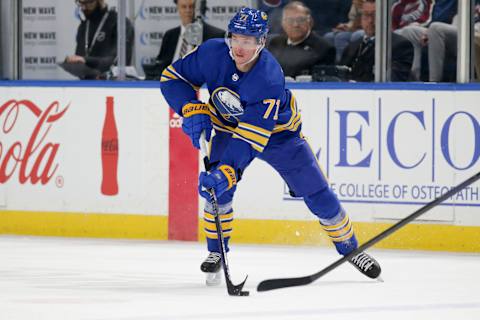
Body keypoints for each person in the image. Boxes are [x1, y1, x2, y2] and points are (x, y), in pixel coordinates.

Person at [160, 7, 381, 286]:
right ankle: (217, 253)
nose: (239, 47)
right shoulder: (212, 51)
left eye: (248, 41)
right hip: (229, 129)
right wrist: (190, 108)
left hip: (279, 136)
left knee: (317, 192)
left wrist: (227, 171)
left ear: (261, 42)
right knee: (218, 193)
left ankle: (350, 249)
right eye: (236, 38)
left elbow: (251, 139)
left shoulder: (268, 77)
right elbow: (172, 78)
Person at [340, 0, 414, 82]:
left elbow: (393, 81)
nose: (370, 21)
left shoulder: (400, 45)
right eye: (366, 15)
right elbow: (340, 76)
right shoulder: (353, 46)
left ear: (385, 16)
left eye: (375, 15)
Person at [64, 0, 134, 79]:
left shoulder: (120, 23)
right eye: (81, 3)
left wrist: (86, 60)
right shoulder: (83, 26)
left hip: (113, 86)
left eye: (87, 2)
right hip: (85, 86)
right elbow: (80, 58)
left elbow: (115, 61)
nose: (83, 8)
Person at [268, 1, 336, 78]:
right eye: (290, 20)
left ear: (310, 22)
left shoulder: (324, 48)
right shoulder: (275, 43)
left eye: (301, 20)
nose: (295, 24)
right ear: (283, 23)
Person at [155, 0, 225, 73]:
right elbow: (160, 66)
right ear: (178, 8)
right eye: (184, 7)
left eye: (191, 7)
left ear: (200, 9)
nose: (188, 10)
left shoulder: (215, 36)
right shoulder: (169, 35)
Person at [394, 0, 457, 80]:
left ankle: (434, 82)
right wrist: (427, 31)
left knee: (435, 28)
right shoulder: (398, 6)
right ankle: (414, 80)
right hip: (447, 28)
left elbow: (445, 17)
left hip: (465, 34)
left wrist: (429, 31)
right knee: (409, 31)